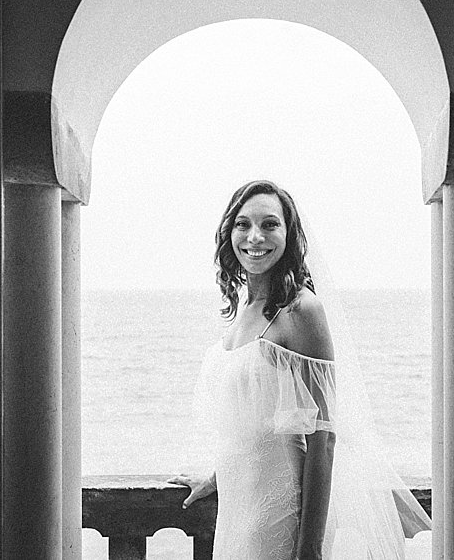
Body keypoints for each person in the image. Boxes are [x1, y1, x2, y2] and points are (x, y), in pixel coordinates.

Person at [169, 179, 430, 559]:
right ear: (229, 234)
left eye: (270, 224)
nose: (255, 237)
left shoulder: (301, 311)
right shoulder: (245, 308)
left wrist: (308, 547)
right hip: (237, 511)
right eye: (243, 224)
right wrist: (215, 477)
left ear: (289, 234)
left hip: (277, 519)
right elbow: (253, 421)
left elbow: (323, 439)